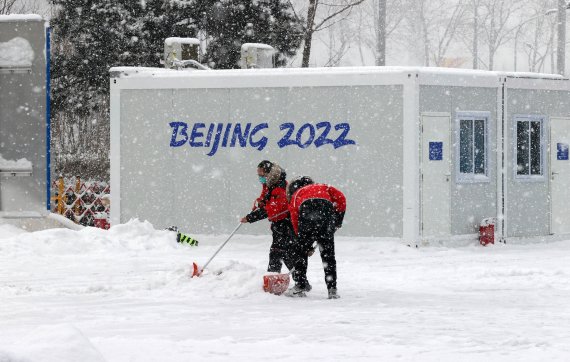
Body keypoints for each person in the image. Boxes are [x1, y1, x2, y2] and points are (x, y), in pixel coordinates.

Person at [285, 176, 346, 299]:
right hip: (326, 213)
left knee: (300, 253)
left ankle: (300, 286)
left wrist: (303, 244)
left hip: (306, 214)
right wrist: (338, 220)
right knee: (328, 255)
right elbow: (341, 199)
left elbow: (295, 219)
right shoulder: (324, 186)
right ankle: (332, 289)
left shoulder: (297, 194)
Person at [240, 160, 296, 273]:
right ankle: (300, 281)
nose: (260, 177)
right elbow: (266, 197)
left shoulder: (280, 188)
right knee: (285, 252)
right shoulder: (269, 184)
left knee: (277, 251)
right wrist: (261, 201)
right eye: (258, 175)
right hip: (278, 224)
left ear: (268, 173)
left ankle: (273, 277)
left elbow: (273, 210)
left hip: (285, 223)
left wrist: (251, 218)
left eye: (261, 174)